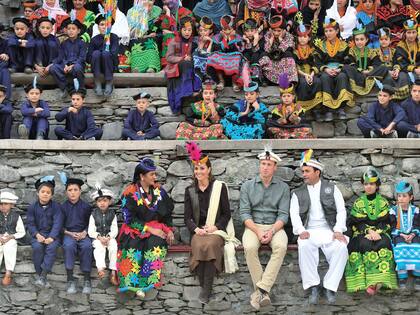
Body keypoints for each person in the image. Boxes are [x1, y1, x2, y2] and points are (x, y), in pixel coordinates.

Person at [290, 149, 348, 305]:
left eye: (307, 171)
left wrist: (337, 230)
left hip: (329, 230)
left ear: (317, 172)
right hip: (309, 231)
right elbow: (294, 215)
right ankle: (313, 286)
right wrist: (301, 231)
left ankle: (330, 286)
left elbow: (341, 210)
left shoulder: (331, 188)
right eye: (303, 171)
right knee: (304, 245)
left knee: (341, 247)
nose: (304, 174)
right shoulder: (298, 193)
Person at [184, 142, 238, 303]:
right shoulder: (190, 191)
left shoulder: (219, 187)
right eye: (196, 168)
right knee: (200, 245)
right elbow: (187, 218)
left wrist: (215, 227)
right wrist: (196, 230)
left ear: (209, 170)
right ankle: (206, 289)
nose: (198, 171)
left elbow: (226, 214)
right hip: (199, 231)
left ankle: (205, 290)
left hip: (216, 231)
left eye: (202, 168)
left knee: (211, 245)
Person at [239, 148, 289, 311]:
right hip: (253, 226)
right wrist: (258, 231)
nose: (265, 167)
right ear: (259, 166)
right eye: (263, 164)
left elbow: (283, 215)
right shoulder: (247, 186)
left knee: (281, 246)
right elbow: (245, 214)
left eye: (269, 164)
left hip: (275, 226)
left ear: (275, 167)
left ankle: (260, 291)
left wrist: (272, 231)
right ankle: (264, 293)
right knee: (250, 247)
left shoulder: (283, 188)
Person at [117, 158, 174, 298]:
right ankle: (132, 284)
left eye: (155, 174)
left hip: (157, 227)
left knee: (156, 243)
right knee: (133, 245)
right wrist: (149, 229)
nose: (155, 177)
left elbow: (167, 212)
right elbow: (128, 219)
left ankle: (146, 284)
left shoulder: (159, 191)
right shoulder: (129, 193)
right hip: (135, 228)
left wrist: (170, 230)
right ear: (142, 176)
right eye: (152, 174)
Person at [345, 168, 398, 295]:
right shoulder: (358, 203)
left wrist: (377, 232)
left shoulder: (383, 202)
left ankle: (380, 281)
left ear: (377, 185)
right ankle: (368, 283)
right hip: (362, 232)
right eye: (366, 184)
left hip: (380, 232)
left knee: (385, 242)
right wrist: (368, 231)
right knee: (363, 244)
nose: (368, 186)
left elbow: (387, 222)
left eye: (372, 184)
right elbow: (355, 222)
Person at [26, 176, 63, 288]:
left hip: (53, 235)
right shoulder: (32, 207)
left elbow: (58, 223)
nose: (45, 194)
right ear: (38, 193)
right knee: (37, 248)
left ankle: (44, 274)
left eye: (48, 192)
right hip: (37, 234)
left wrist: (52, 237)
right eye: (43, 192)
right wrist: (37, 235)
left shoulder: (56, 207)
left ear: (51, 195)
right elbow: (30, 224)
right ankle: (39, 274)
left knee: (51, 248)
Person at [314, 17, 353, 121]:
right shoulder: (320, 46)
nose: (328, 33)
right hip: (326, 70)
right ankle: (328, 110)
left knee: (342, 77)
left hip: (340, 69)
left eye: (331, 30)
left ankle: (341, 108)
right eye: (326, 31)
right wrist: (326, 69)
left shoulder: (344, 45)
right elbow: (317, 61)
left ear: (337, 31)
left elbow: (348, 61)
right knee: (325, 78)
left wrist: (340, 69)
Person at [60, 175, 93, 294]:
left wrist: (85, 232)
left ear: (80, 191)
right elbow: (59, 225)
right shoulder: (62, 207)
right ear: (66, 192)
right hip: (68, 234)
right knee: (68, 246)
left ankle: (87, 279)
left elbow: (92, 223)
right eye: (70, 190)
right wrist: (69, 233)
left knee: (87, 246)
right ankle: (70, 279)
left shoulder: (86, 207)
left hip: (84, 234)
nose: (73, 193)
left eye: (75, 190)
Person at [165, 16, 201, 114]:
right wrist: (181, 58)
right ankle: (187, 91)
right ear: (180, 30)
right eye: (184, 30)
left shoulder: (194, 42)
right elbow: (169, 57)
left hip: (189, 65)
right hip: (175, 66)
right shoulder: (174, 41)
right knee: (186, 64)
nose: (187, 32)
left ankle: (196, 88)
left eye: (189, 30)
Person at [389, 181, 420, 290]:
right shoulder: (393, 211)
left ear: (411, 197)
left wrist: (411, 235)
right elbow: (392, 227)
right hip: (399, 234)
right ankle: (402, 276)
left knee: (417, 246)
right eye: (399, 196)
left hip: (413, 234)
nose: (401, 198)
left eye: (404, 196)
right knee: (400, 246)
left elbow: (417, 225)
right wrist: (402, 235)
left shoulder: (416, 210)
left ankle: (417, 275)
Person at [343, 23, 389, 96]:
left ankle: (367, 77)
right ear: (354, 41)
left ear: (366, 39)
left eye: (362, 39)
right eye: (357, 40)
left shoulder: (371, 51)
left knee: (384, 67)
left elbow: (377, 63)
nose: (359, 42)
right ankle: (364, 79)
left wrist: (369, 71)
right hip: (357, 74)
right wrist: (361, 71)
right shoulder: (351, 51)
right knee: (346, 67)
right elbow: (351, 63)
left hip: (369, 73)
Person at [49, 13, 87, 99]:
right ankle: (65, 87)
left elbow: (82, 58)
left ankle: (81, 89)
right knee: (53, 68)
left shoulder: (82, 43)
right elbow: (62, 57)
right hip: (66, 66)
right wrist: (65, 65)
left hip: (77, 66)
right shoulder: (64, 44)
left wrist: (72, 66)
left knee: (77, 68)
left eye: (73, 29)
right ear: (66, 30)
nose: (71, 31)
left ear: (78, 31)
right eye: (69, 28)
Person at [88, 185, 118, 286]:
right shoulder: (93, 214)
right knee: (98, 247)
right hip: (98, 238)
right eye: (99, 201)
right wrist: (99, 237)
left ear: (109, 202)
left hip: (109, 238)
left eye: (105, 200)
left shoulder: (112, 214)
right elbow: (91, 230)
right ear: (96, 203)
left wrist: (109, 237)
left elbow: (115, 229)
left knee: (113, 246)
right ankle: (100, 268)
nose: (102, 203)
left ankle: (113, 272)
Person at [267, 75, 314, 139]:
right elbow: (272, 122)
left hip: (296, 129)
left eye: (288, 96)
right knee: (271, 129)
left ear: (293, 97)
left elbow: (305, 122)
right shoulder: (277, 109)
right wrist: (281, 120)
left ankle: (288, 136)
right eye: (284, 96)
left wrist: (296, 119)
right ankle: (292, 137)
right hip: (283, 129)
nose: (286, 98)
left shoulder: (299, 108)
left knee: (307, 129)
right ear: (281, 98)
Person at [206, 15, 244, 92]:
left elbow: (240, 50)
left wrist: (230, 39)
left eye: (229, 29)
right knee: (215, 57)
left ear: (233, 29)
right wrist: (224, 40)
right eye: (224, 29)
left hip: (234, 59)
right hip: (222, 61)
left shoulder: (238, 37)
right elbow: (217, 50)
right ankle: (221, 81)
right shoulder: (217, 37)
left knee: (237, 58)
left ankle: (234, 82)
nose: (227, 32)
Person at [292, 23, 323, 113]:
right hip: (300, 74)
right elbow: (294, 65)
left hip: (311, 73)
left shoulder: (313, 49)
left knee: (317, 81)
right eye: (300, 37)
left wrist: (311, 75)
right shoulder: (294, 50)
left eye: (305, 36)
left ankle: (316, 109)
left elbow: (316, 63)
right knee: (303, 83)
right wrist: (305, 75)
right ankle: (302, 109)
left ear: (309, 38)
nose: (302, 39)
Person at [259, 15, 298, 85]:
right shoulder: (267, 35)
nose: (276, 33)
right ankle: (267, 80)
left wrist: (281, 41)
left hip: (282, 62)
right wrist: (270, 43)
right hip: (272, 62)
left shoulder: (289, 36)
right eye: (274, 30)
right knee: (263, 55)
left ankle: (289, 81)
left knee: (288, 54)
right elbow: (266, 50)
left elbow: (288, 50)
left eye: (279, 31)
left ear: (284, 30)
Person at [88, 13, 119, 96]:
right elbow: (89, 57)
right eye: (102, 24)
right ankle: (97, 81)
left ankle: (109, 81)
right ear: (98, 26)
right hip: (97, 66)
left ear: (111, 26)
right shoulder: (94, 39)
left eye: (107, 24)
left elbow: (114, 53)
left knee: (106, 53)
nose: (104, 27)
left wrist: (104, 51)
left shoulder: (114, 37)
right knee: (96, 53)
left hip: (110, 64)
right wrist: (97, 55)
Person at [127, 0, 162, 73]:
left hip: (151, 36)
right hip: (137, 37)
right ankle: (137, 68)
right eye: (145, 5)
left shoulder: (158, 11)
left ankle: (152, 66)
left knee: (151, 42)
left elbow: (159, 28)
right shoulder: (132, 12)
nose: (148, 8)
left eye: (150, 6)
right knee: (135, 43)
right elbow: (131, 32)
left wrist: (153, 33)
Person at [378, 27, 411, 101]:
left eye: (386, 39)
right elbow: (376, 65)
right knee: (389, 78)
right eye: (381, 39)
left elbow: (397, 62)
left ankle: (404, 98)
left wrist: (396, 70)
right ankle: (391, 98)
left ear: (390, 41)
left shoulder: (394, 51)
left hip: (394, 70)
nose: (384, 41)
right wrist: (388, 71)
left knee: (403, 76)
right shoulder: (375, 52)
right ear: (378, 40)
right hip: (383, 73)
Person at [0, 191, 25, 286]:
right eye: (1, 204)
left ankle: (8, 273)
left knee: (9, 248)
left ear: (11, 205)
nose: (3, 206)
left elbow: (21, 232)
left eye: (5, 204)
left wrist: (11, 236)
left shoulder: (16, 216)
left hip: (11, 238)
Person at [241, 18, 265, 84]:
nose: (250, 33)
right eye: (247, 31)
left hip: (258, 58)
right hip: (249, 58)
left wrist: (256, 41)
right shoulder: (243, 40)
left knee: (255, 55)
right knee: (245, 55)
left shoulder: (261, 38)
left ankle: (256, 78)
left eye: (252, 31)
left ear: (256, 30)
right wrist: (248, 42)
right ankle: (246, 77)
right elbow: (245, 51)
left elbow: (257, 51)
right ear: (244, 32)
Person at [0, 25, 11, 100]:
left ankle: (5, 98)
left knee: (5, 70)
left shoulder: (5, 42)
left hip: (2, 65)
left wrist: (6, 55)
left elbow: (8, 55)